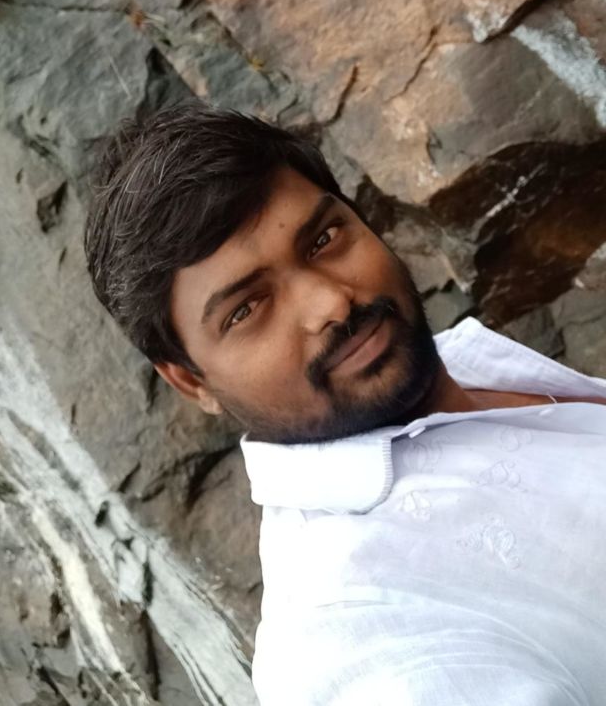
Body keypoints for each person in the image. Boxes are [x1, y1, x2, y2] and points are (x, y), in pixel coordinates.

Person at [84, 99, 606, 705]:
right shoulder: (345, 637)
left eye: (324, 239)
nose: (331, 302)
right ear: (190, 380)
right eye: (247, 310)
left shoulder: (461, 364)